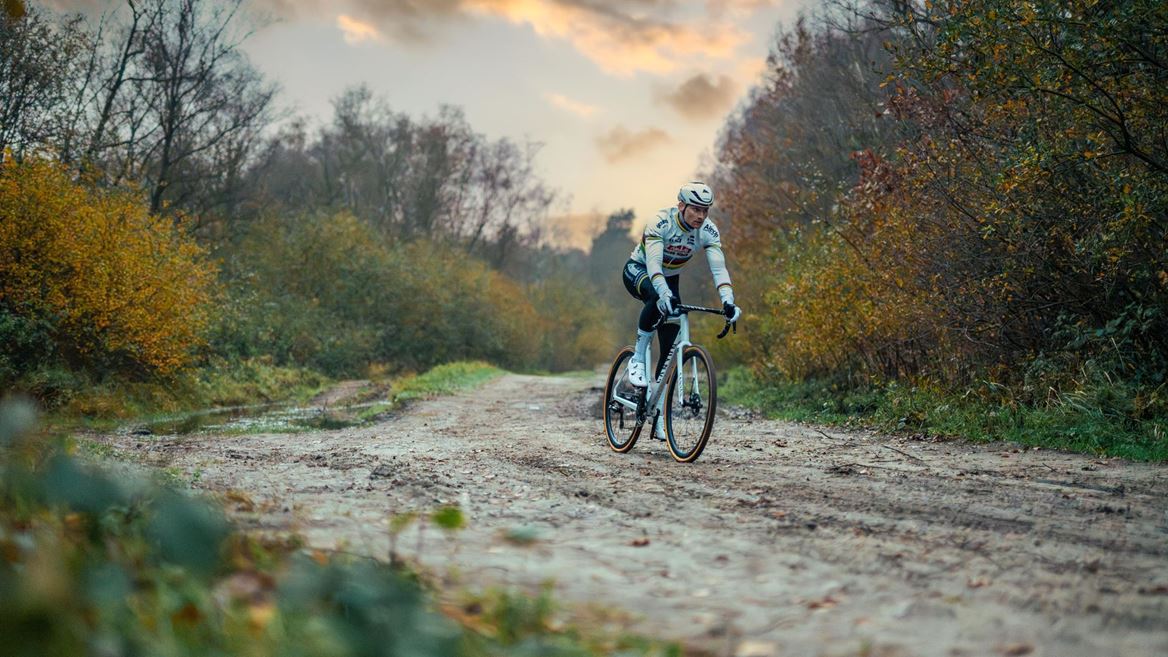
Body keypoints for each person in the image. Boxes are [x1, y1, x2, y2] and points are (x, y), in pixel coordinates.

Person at [621, 181, 741, 439]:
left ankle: (660, 415)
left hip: (671, 278)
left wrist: (728, 301)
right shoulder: (661, 222)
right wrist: (663, 294)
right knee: (656, 297)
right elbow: (654, 266)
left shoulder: (708, 231)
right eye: (695, 209)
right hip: (640, 271)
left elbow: (719, 269)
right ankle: (637, 359)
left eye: (705, 211)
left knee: (669, 348)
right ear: (681, 205)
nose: (700, 216)